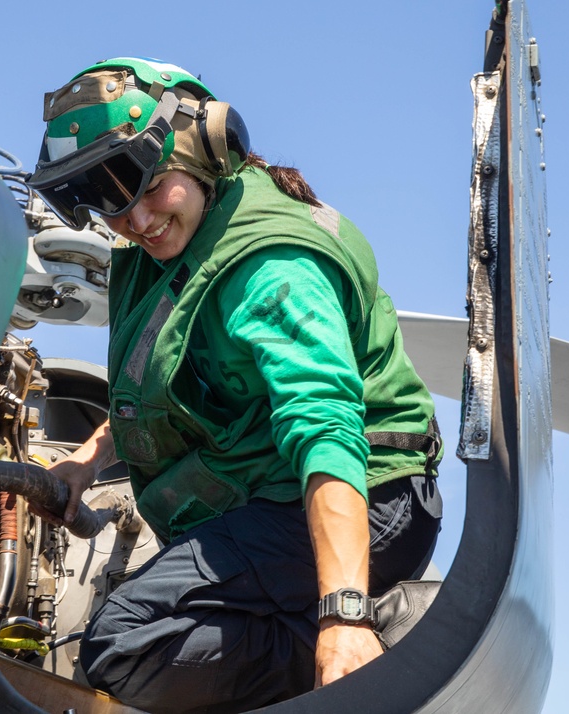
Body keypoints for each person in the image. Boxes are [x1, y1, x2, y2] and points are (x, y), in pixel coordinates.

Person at [27, 57, 443, 713]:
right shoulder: (164, 253)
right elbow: (158, 385)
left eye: (149, 184)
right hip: (270, 497)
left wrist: (344, 615)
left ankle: (388, 636)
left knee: (126, 643)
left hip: (367, 494)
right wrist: (87, 459)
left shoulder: (270, 269)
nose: (136, 221)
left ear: (202, 147)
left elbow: (328, 431)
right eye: (109, 203)